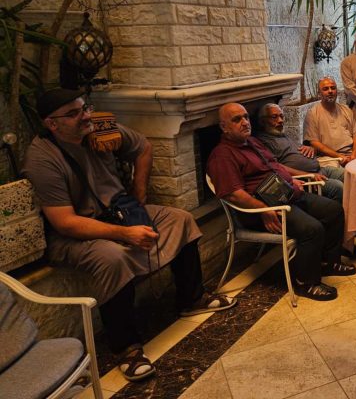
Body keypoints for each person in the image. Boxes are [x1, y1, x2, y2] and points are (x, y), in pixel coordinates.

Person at [22, 88, 236, 383]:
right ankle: (127, 348)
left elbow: (143, 147)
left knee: (180, 219)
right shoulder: (42, 159)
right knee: (111, 257)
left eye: (85, 108)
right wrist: (125, 233)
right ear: (51, 123)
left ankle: (191, 298)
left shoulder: (100, 128)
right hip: (79, 231)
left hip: (121, 210)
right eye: (73, 114)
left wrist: (139, 194)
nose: (85, 116)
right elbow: (65, 223)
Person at [207, 103, 356, 302]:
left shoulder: (252, 142)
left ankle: (329, 262)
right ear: (224, 127)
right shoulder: (222, 155)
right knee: (312, 229)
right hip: (262, 209)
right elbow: (234, 195)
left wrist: (293, 179)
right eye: (237, 119)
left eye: (246, 117)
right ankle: (306, 283)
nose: (245, 122)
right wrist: (263, 209)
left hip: (286, 195)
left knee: (334, 210)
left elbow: (275, 165)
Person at [255, 103, 345, 202]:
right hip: (306, 179)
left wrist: (311, 148)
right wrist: (308, 175)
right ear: (263, 121)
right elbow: (276, 167)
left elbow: (300, 150)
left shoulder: (281, 135)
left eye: (281, 116)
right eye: (274, 117)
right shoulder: (263, 141)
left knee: (348, 175)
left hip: (320, 170)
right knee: (338, 187)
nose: (280, 120)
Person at [304, 77, 356, 165]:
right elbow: (314, 142)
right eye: (325, 89)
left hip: (351, 152)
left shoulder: (346, 109)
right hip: (328, 157)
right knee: (339, 170)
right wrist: (340, 156)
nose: (330, 91)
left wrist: (354, 155)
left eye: (333, 88)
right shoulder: (312, 114)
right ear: (319, 93)